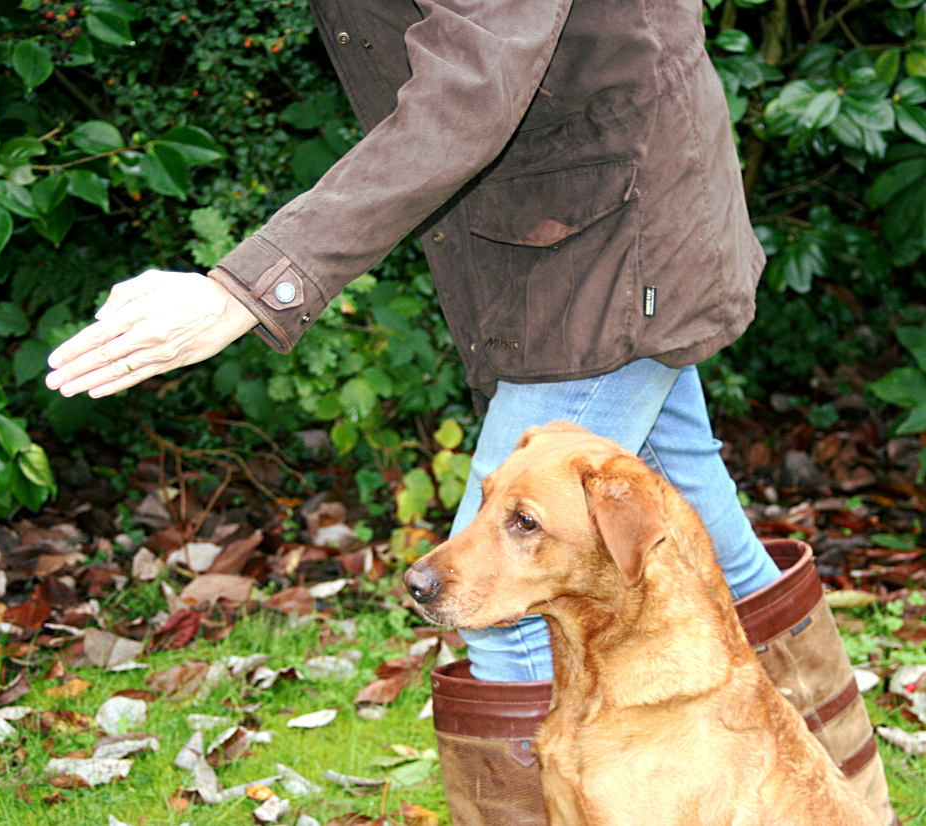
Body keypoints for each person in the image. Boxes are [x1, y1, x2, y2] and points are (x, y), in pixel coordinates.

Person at [46, 1, 896, 823]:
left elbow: (479, 76)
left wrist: (254, 288)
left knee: (495, 613)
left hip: (615, 238)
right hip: (566, 225)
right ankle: (846, 809)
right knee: (709, 555)